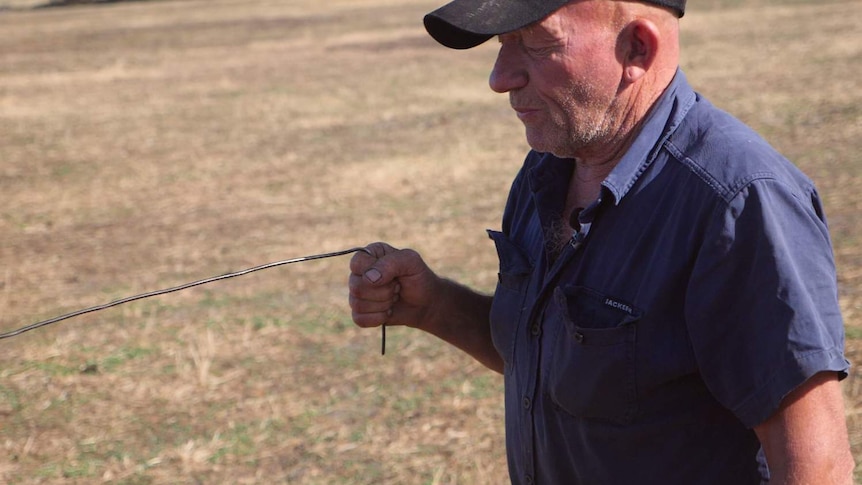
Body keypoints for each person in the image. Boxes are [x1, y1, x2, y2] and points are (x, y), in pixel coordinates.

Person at [347, 0, 856, 483]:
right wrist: (434, 307)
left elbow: (816, 469)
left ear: (637, 48)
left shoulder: (738, 205)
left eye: (537, 44)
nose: (500, 78)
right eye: (503, 41)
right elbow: (566, 365)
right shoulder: (548, 171)